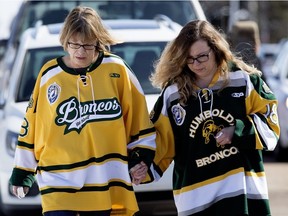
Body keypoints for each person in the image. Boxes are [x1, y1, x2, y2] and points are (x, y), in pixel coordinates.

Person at [9, 6, 156, 216]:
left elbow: (140, 119)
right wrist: (23, 170)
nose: (80, 51)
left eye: (88, 45)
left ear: (98, 41)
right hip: (58, 179)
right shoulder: (49, 74)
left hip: (103, 180)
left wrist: (140, 157)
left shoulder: (117, 69)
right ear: (65, 41)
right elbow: (31, 124)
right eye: (74, 44)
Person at [148, 20, 280, 215]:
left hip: (242, 195)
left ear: (216, 49)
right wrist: (141, 164)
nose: (196, 64)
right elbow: (158, 138)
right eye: (189, 59)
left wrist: (237, 130)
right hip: (195, 198)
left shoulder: (243, 80)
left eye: (202, 56)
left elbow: (271, 122)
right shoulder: (172, 94)